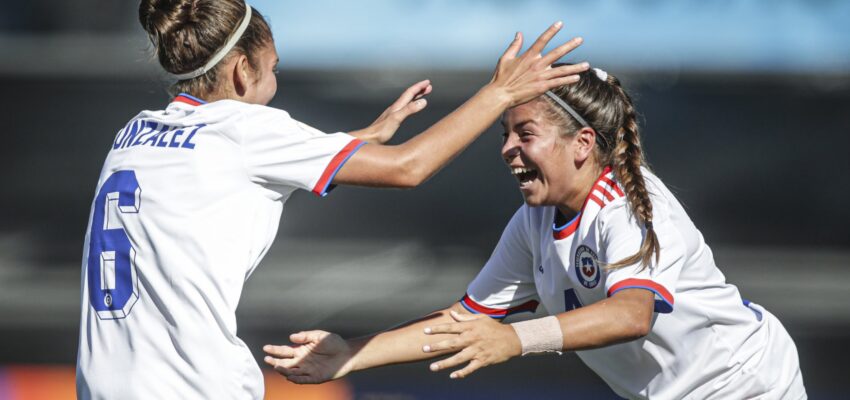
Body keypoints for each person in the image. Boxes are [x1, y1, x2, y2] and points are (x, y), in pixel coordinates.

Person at [75, 0, 589, 397]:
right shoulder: (246, 128)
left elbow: (230, 167)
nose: (274, 80)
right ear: (241, 71)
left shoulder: (135, 133)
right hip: (191, 386)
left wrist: (362, 136)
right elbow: (410, 169)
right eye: (272, 68)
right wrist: (498, 93)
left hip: (100, 385)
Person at [263, 66, 807, 399]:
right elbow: (466, 322)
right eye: (505, 134)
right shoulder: (534, 221)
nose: (507, 149)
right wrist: (351, 354)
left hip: (750, 386)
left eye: (525, 133)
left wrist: (515, 340)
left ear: (583, 143)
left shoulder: (633, 205)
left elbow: (631, 314)